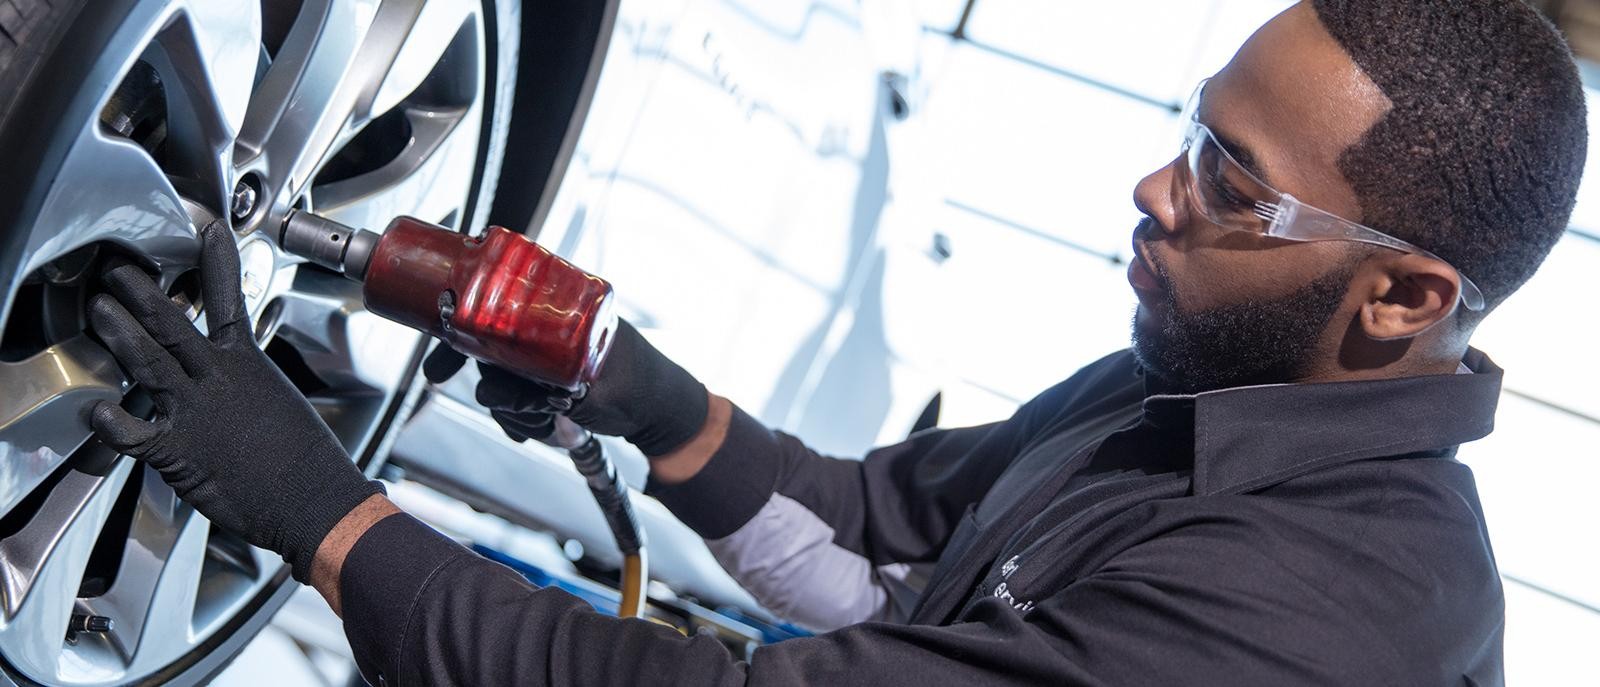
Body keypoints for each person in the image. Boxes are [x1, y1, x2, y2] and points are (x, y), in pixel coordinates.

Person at [83, 0, 1586, 684]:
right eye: (1192, 135)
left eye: (1230, 184)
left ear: (1404, 298)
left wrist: (321, 514)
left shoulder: (1322, 624)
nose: (1156, 189)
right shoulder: (1201, 376)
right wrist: (635, 390)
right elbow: (878, 548)